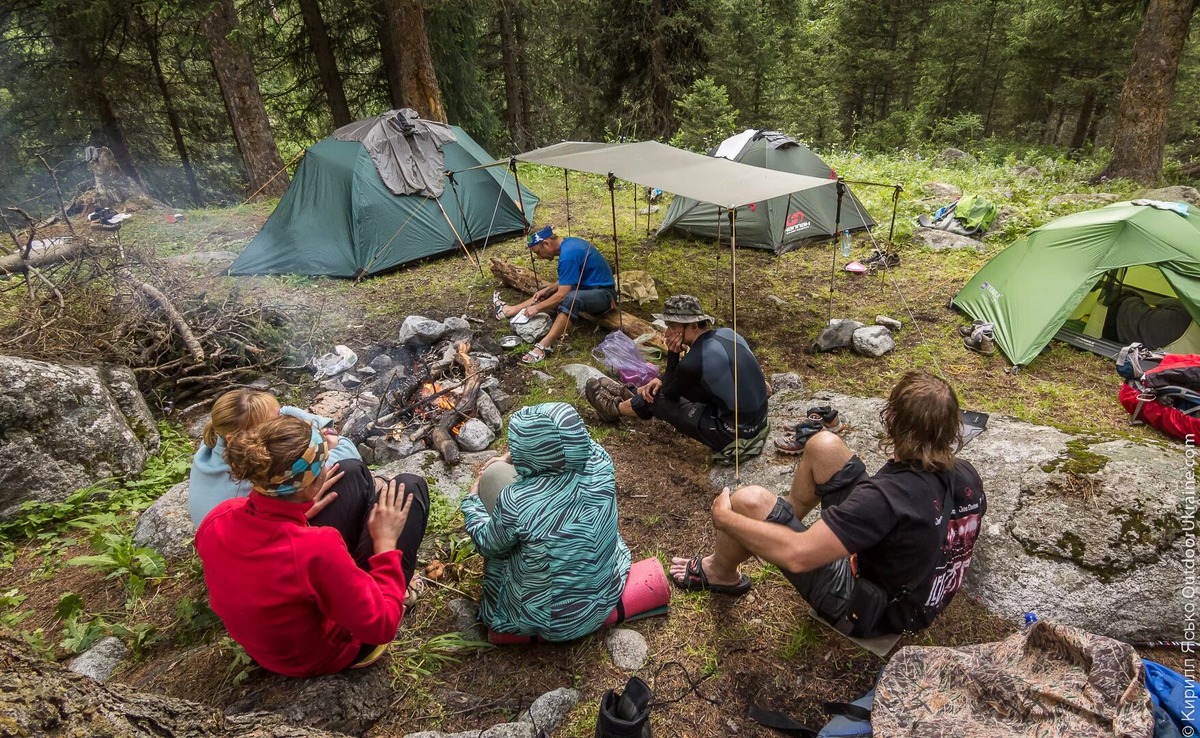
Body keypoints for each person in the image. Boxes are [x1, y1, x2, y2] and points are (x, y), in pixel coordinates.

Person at [669, 371, 986, 638]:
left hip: (868, 610)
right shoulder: (966, 475)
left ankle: (720, 572)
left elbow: (798, 556)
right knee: (823, 444)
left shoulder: (887, 497)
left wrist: (725, 519)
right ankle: (781, 522)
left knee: (745, 501)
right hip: (917, 595)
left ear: (891, 421)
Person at [195, 415, 429, 677]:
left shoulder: (219, 516)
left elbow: (267, 564)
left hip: (271, 644)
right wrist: (385, 545)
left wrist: (300, 513)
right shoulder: (317, 547)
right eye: (324, 464)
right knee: (410, 487)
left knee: (350, 471)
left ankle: (351, 583)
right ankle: (396, 592)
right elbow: (381, 627)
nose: (329, 466)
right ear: (310, 485)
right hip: (325, 654)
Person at [460, 402, 631, 641]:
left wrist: (471, 502)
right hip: (606, 593)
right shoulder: (601, 459)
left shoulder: (517, 501)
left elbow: (487, 543)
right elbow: (570, 444)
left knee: (493, 482)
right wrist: (508, 457)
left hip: (552, 621)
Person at [585, 294, 770, 464]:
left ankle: (614, 409)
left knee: (657, 397)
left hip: (734, 434)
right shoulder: (728, 333)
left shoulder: (694, 362)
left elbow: (669, 395)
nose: (666, 334)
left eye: (672, 327)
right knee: (662, 386)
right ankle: (632, 394)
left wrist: (673, 355)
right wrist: (664, 379)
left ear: (693, 326)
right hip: (757, 419)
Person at [188, 389, 362, 526]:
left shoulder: (217, 443)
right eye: (275, 423)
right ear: (237, 438)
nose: (284, 421)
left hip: (230, 538)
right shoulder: (257, 470)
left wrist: (315, 433)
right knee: (350, 470)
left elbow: (285, 410)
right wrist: (327, 442)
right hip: (257, 548)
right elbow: (347, 451)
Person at [492, 225, 616, 366]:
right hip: (587, 286)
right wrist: (548, 289)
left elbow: (562, 296)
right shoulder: (569, 244)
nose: (539, 257)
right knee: (550, 292)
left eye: (538, 252)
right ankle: (511, 310)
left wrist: (537, 308)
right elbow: (570, 277)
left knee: (570, 298)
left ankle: (545, 345)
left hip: (604, 295)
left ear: (546, 243)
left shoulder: (568, 255)